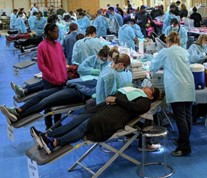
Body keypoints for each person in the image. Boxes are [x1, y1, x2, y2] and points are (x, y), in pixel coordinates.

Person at [29, 86, 162, 154]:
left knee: (83, 127)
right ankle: (47, 136)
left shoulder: (145, 102)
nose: (146, 87)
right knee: (75, 122)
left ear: (151, 96)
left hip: (109, 119)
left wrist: (116, 99)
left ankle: (55, 143)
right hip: (102, 110)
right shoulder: (136, 92)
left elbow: (134, 107)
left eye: (150, 88)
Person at [150, 32, 195, 156]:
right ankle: (183, 140)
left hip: (177, 86)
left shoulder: (166, 52)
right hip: (189, 84)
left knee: (180, 117)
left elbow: (153, 66)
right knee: (187, 115)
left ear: (167, 41)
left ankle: (184, 147)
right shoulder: (184, 51)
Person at [37, 23, 68, 128]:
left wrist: (64, 74)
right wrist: (51, 76)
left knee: (58, 103)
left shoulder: (58, 44)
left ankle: (57, 124)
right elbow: (41, 65)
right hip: (50, 81)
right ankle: (48, 125)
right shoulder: (42, 46)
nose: (57, 34)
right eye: (56, 32)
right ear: (49, 32)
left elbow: (63, 60)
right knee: (49, 103)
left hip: (61, 79)